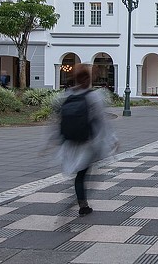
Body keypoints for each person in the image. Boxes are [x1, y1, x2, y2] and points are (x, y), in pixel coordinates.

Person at [51, 63, 118, 216]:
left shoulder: (66, 95)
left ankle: (81, 198)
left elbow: (56, 118)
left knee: (79, 174)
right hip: (87, 142)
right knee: (83, 174)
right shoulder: (93, 97)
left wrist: (51, 140)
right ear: (88, 79)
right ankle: (82, 203)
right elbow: (102, 121)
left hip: (70, 142)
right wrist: (112, 139)